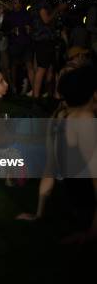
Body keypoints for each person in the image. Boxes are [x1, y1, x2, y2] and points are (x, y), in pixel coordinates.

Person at [16, 66, 97, 244]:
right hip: (87, 211)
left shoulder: (58, 118)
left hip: (75, 208)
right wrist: (92, 232)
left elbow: (50, 169)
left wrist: (39, 213)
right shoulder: (85, 119)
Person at [4, 0, 34, 95]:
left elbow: (33, 28)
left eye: (16, 2)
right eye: (13, 2)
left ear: (21, 4)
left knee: (29, 65)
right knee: (13, 66)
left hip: (26, 44)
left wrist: (29, 29)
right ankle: (14, 88)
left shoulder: (27, 14)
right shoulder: (9, 15)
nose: (14, 4)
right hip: (14, 44)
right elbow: (3, 31)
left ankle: (34, 88)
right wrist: (11, 31)